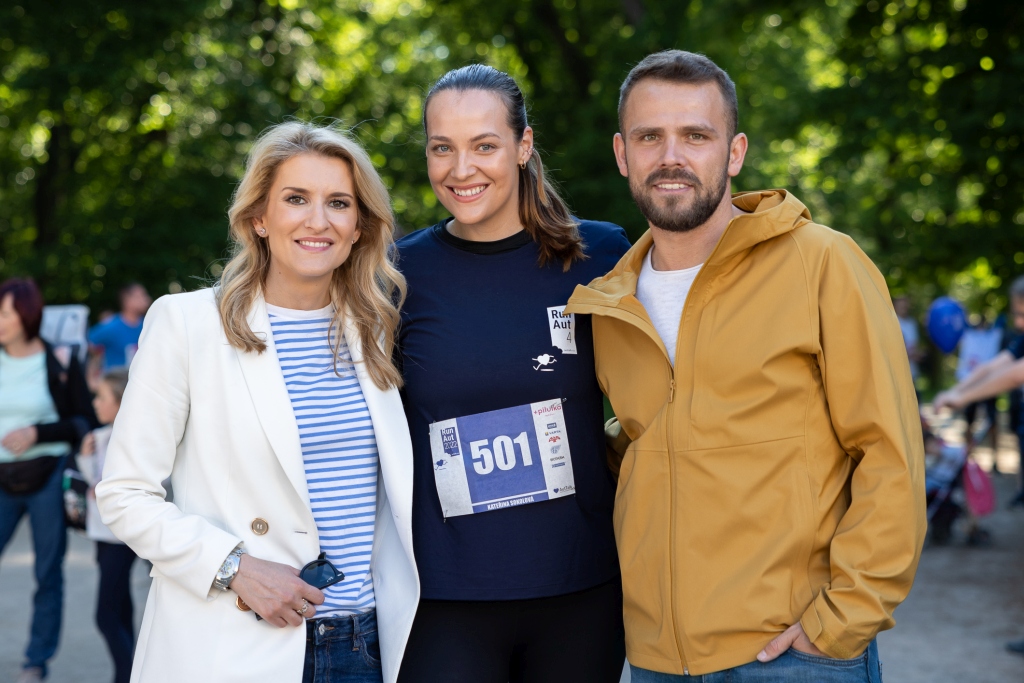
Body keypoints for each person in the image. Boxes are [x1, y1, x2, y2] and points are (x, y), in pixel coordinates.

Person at [565, 50, 925, 682]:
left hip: (792, 656)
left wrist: (841, 622)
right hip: (656, 659)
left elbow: (890, 451)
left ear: (734, 153)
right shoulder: (609, 304)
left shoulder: (822, 264)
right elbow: (656, 442)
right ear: (623, 154)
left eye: (695, 136)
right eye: (649, 137)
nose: (670, 157)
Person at [96, 121, 419, 683]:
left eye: (338, 203)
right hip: (234, 641)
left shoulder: (378, 330)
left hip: (366, 644)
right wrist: (233, 567)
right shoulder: (188, 324)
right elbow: (124, 493)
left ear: (359, 227)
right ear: (258, 218)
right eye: (296, 199)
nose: (318, 220)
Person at [395, 64, 630, 683]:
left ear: (523, 146)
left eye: (484, 146)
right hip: (443, 598)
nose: (460, 169)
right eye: (441, 148)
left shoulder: (603, 255)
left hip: (581, 589)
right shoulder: (395, 275)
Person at [0, 277, 98, 683]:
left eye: (5, 313)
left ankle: (35, 662)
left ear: (27, 315)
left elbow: (84, 420)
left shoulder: (58, 359)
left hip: (48, 476)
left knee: (47, 573)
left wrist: (36, 433)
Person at [78, 367, 136, 683]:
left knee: (105, 615)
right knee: (120, 608)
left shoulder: (136, 439)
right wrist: (85, 457)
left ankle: (129, 675)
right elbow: (93, 485)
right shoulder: (99, 437)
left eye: (101, 397)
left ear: (121, 402)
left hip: (122, 536)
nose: (95, 403)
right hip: (102, 534)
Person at [88, 283, 151, 371]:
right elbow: (87, 342)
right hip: (115, 378)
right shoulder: (111, 326)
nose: (146, 299)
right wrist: (97, 359)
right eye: (140, 296)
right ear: (126, 300)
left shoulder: (148, 325)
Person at [894, 295, 924, 385]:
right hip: (898, 370)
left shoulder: (912, 323)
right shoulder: (893, 323)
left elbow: (915, 344)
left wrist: (918, 354)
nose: (904, 308)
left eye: (905, 305)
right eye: (901, 306)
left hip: (912, 370)